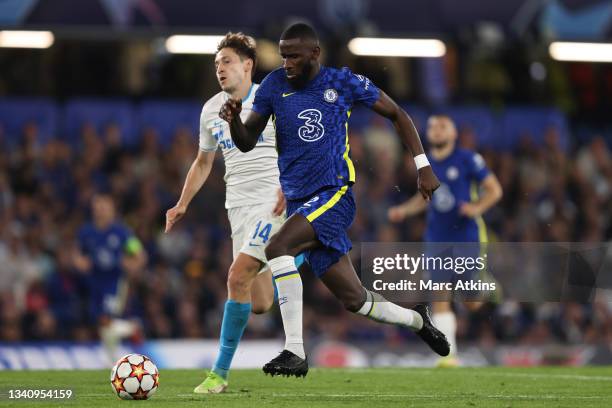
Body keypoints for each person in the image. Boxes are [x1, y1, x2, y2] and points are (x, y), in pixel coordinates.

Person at [220, 23, 450, 377]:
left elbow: (397, 114)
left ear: (314, 54)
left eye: (294, 56)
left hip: (334, 193)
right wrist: (235, 121)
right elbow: (248, 139)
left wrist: (423, 166)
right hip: (300, 203)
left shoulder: (342, 82)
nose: (287, 63)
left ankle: (294, 350)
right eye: (283, 56)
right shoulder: (273, 86)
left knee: (279, 247)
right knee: (354, 300)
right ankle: (417, 319)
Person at [165, 32, 305, 393]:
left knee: (235, 276)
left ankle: (219, 374)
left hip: (272, 201)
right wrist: (182, 204)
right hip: (238, 208)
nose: (220, 69)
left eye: (226, 62)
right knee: (259, 303)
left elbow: (301, 147)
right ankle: (299, 256)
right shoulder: (211, 109)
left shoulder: (273, 98)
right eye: (216, 64)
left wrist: (289, 187)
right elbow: (202, 162)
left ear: (248, 65)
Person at [388, 115, 503, 366]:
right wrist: (404, 210)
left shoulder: (467, 158)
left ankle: (485, 284)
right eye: (432, 127)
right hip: (437, 237)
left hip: (466, 235)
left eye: (442, 127)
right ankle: (449, 356)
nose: (436, 131)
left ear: (453, 134)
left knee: (471, 301)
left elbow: (494, 189)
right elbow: (424, 197)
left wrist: (476, 207)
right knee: (439, 292)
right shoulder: (425, 164)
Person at [73, 193, 146, 363]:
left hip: (114, 283)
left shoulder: (121, 233)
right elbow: (78, 254)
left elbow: (139, 254)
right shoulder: (86, 232)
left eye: (104, 206)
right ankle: (113, 362)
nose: (101, 210)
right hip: (94, 283)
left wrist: (131, 264)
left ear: (112, 209)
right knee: (103, 325)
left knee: (106, 320)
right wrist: (80, 263)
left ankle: (133, 328)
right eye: (98, 207)